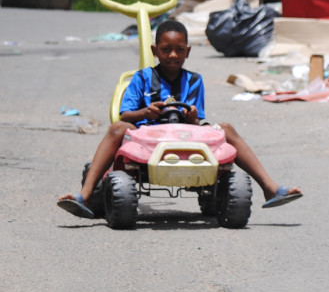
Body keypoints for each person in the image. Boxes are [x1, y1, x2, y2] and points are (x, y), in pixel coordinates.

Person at [57, 20, 301, 218]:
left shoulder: (194, 80)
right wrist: (145, 112)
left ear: (188, 51)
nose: (173, 55)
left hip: (186, 138)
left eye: (179, 50)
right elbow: (125, 115)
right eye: (166, 50)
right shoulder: (142, 78)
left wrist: (192, 118)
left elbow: (198, 124)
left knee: (226, 129)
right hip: (146, 138)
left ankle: (269, 187)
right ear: (155, 51)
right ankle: (85, 194)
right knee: (117, 128)